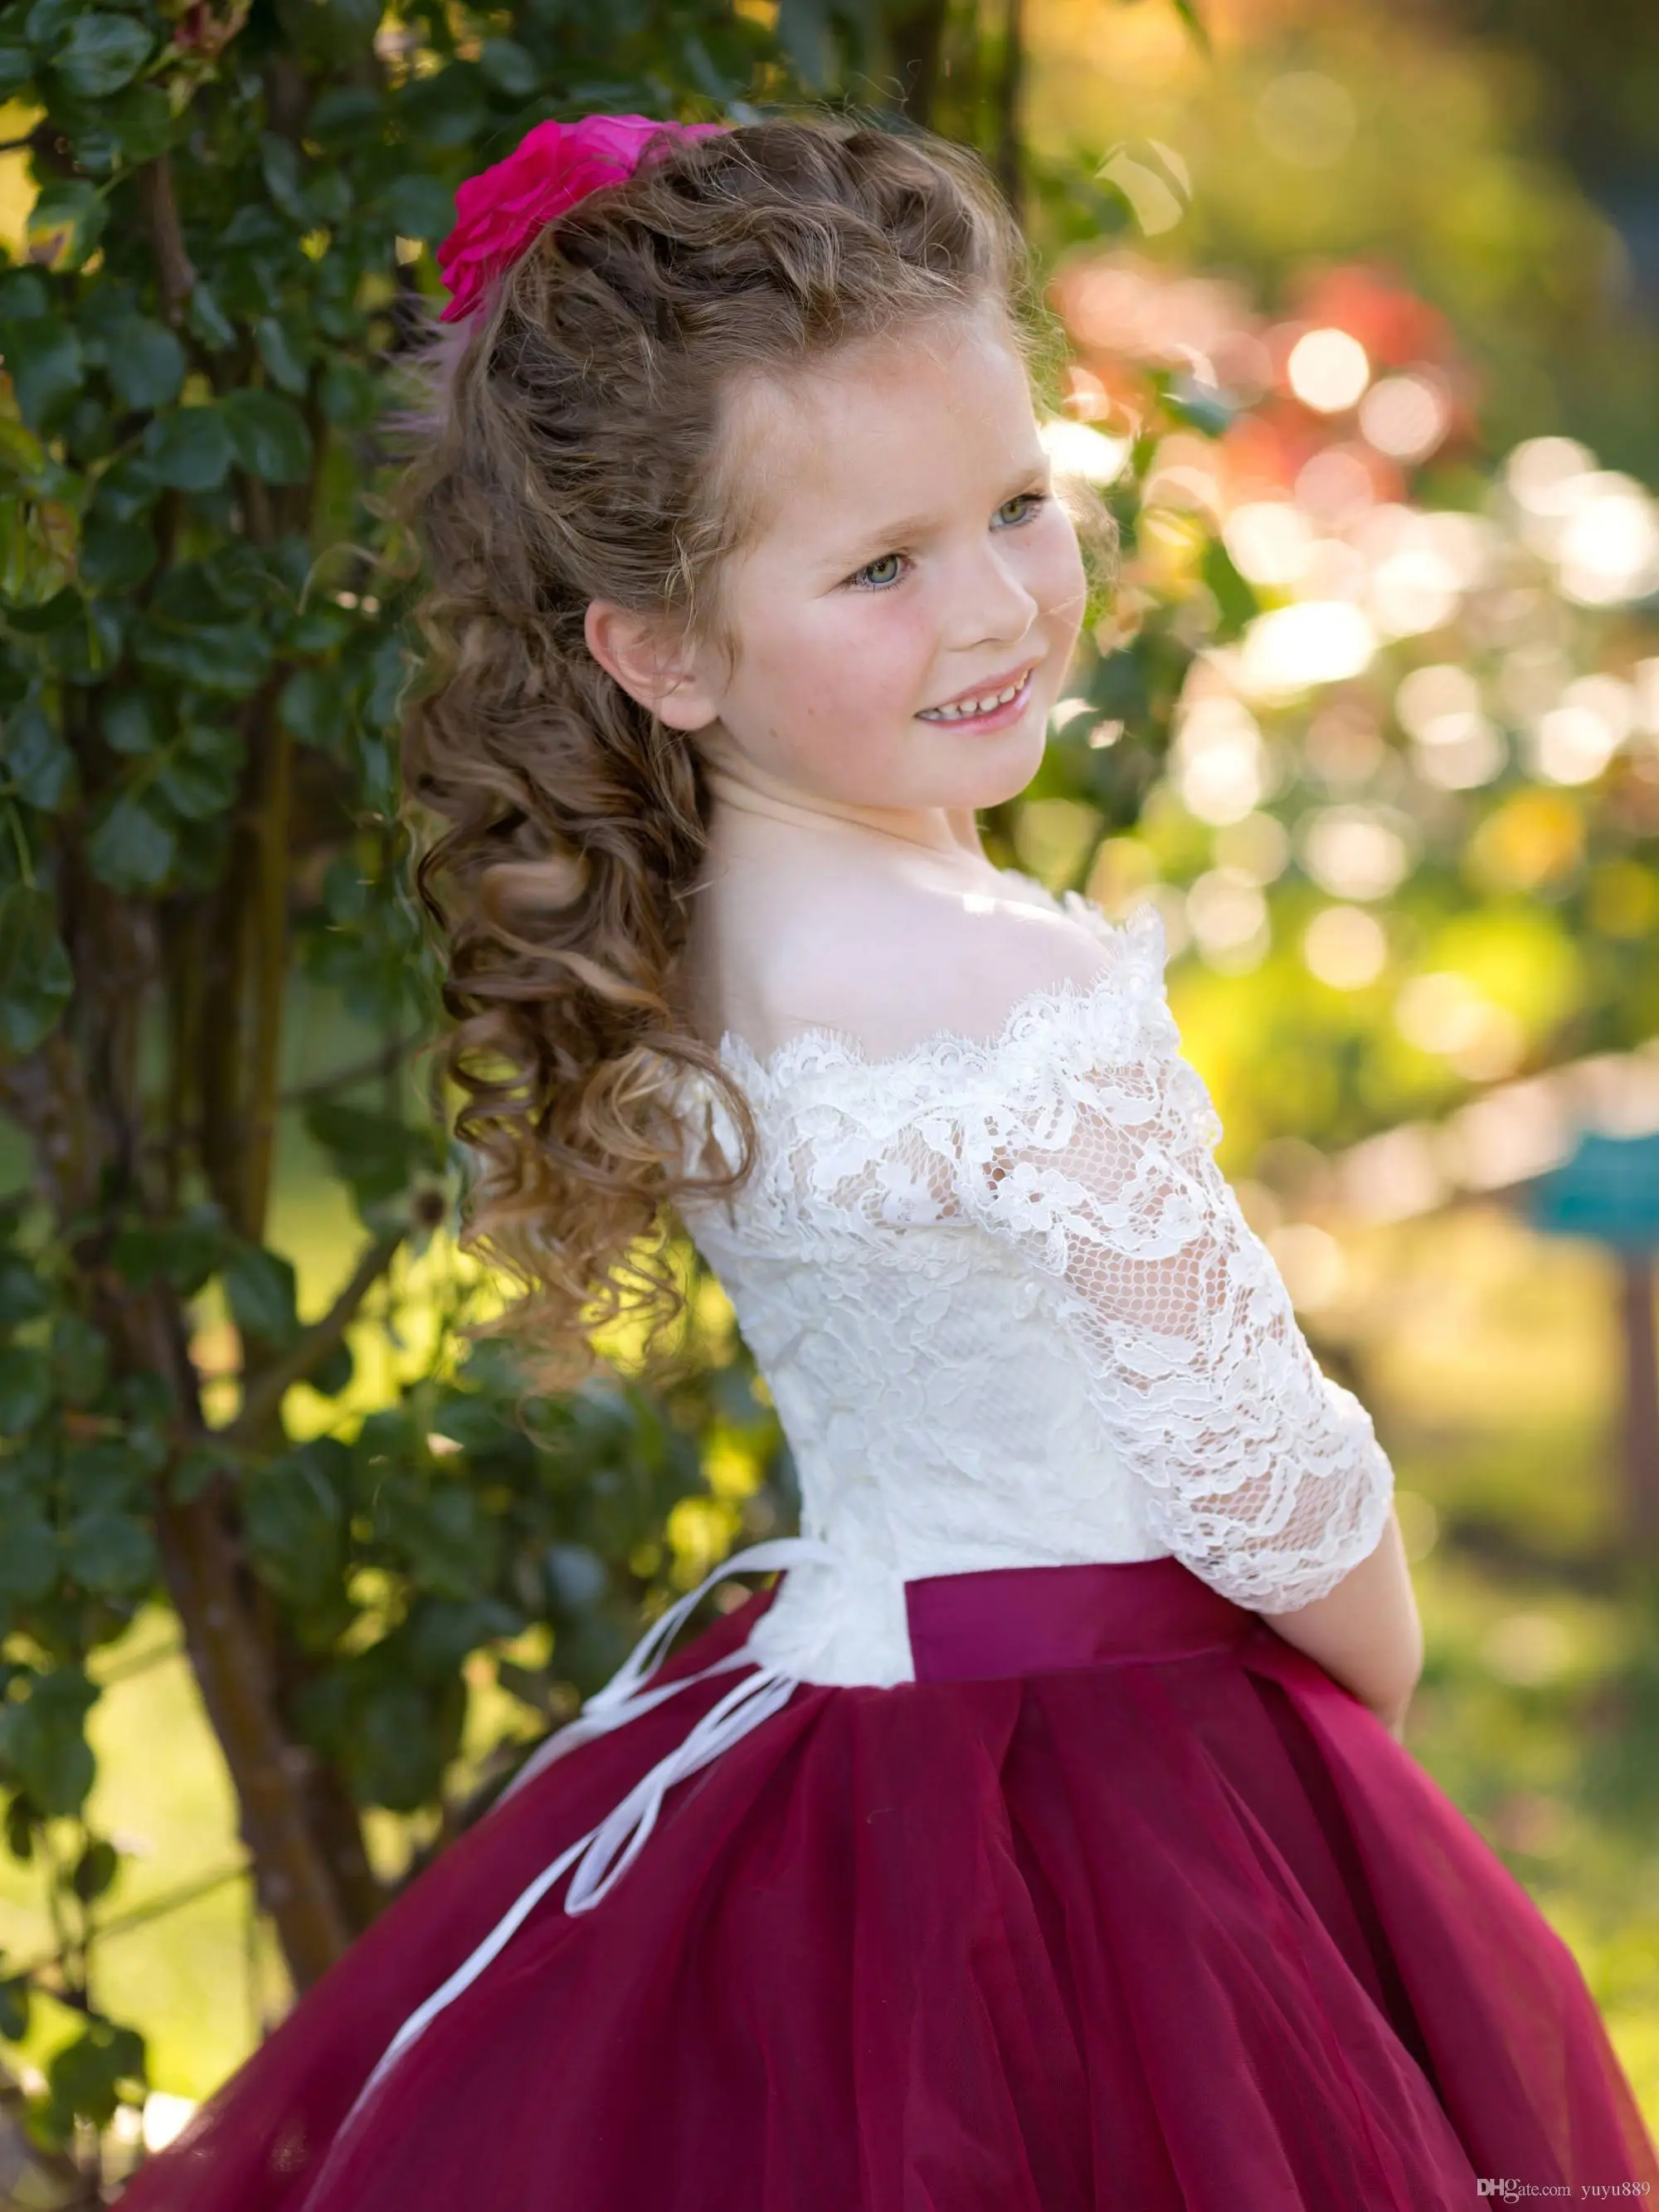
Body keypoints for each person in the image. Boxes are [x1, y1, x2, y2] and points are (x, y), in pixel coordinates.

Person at [124, 111, 1659, 2212]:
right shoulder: (1008, 983)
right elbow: (1266, 1485)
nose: (998, 605)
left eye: (1018, 506)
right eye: (882, 566)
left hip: (826, 1740)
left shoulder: (691, 934)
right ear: (662, 647)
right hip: (1117, 1792)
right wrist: (1359, 1737)